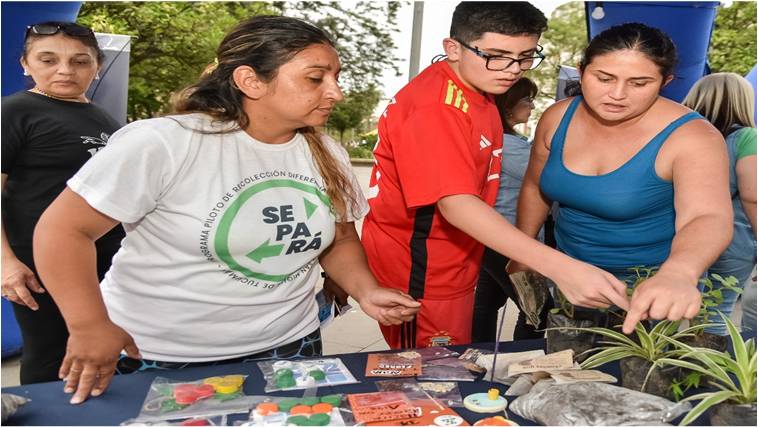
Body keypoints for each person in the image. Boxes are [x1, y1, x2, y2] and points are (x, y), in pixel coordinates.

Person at [33, 16, 420, 405]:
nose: (336, 92)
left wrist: (366, 291)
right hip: (157, 355)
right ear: (250, 80)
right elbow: (62, 232)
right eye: (315, 78)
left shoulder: (328, 153)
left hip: (289, 348)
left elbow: (340, 238)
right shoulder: (162, 143)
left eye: (336, 76)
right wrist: (89, 324)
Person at [360, 1, 631, 350]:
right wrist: (561, 266)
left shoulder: (480, 89)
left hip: (453, 258)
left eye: (526, 56)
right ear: (452, 48)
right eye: (497, 55)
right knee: (433, 372)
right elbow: (455, 203)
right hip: (423, 269)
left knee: (457, 356)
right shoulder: (437, 109)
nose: (512, 69)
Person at [515, 23, 733, 333]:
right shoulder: (557, 117)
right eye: (603, 78)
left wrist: (680, 272)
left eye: (639, 83)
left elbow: (707, 215)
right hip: (567, 278)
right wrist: (524, 252)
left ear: (665, 82)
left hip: (652, 293)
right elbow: (535, 186)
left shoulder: (693, 137)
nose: (617, 94)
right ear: (581, 71)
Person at [1, 21, 125, 384]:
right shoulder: (14, 111)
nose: (65, 70)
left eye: (80, 61)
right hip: (40, 262)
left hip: (107, 261)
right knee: (52, 356)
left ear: (98, 66)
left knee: (100, 354)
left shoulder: (106, 120)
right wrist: (6, 262)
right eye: (48, 59)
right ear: (25, 64)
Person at [471, 77, 553, 342]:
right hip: (511, 238)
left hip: (490, 235)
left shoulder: (492, 139)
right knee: (538, 310)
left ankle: (478, 358)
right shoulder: (510, 146)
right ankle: (525, 362)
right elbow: (549, 179)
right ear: (507, 106)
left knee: (486, 304)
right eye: (527, 100)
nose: (531, 106)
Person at [683, 72, 756, 334]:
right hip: (732, 240)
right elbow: (753, 196)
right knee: (715, 313)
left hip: (674, 233)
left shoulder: (677, 135)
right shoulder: (747, 138)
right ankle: (703, 372)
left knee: (661, 309)